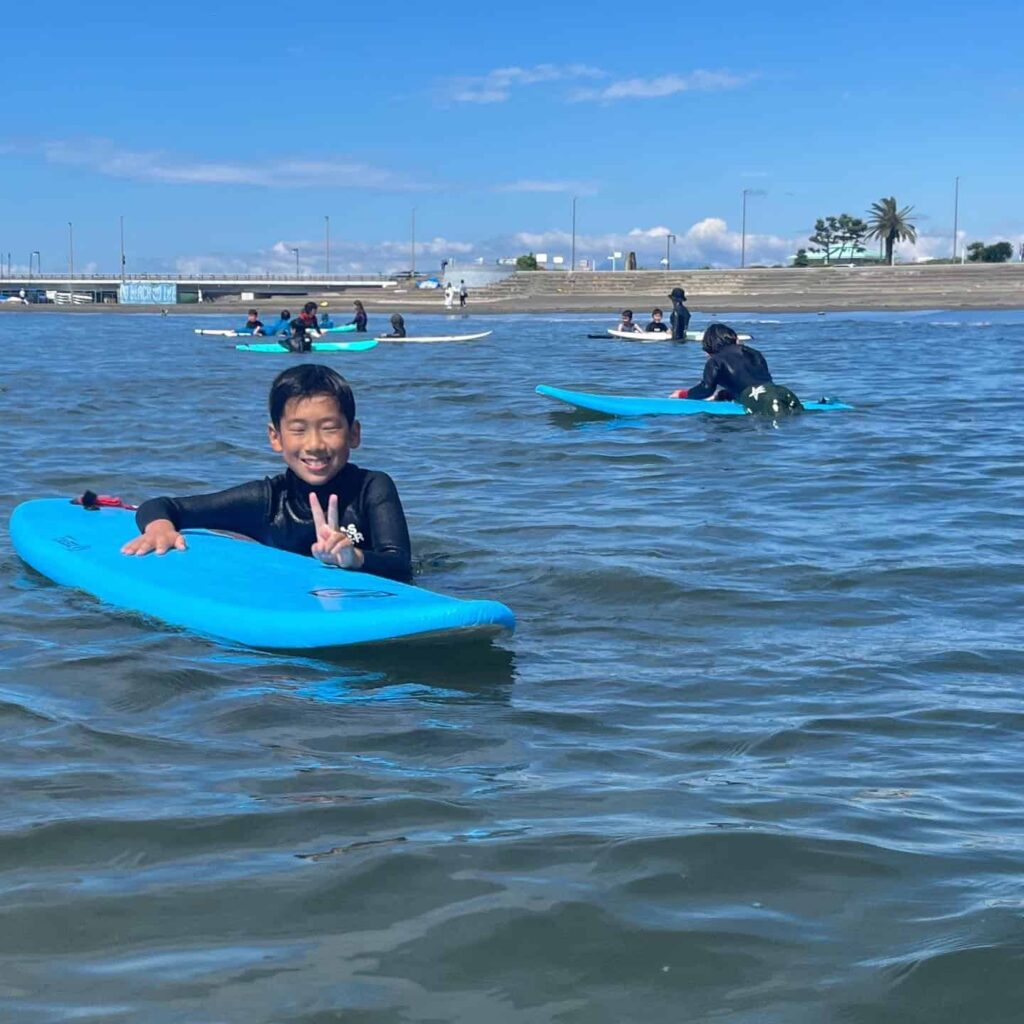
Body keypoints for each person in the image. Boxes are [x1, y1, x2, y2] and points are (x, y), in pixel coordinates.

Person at [121, 364, 412, 582]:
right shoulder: (267, 502)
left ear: (354, 434)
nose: (315, 444)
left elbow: (400, 565)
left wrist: (353, 557)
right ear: (276, 437)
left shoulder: (372, 488)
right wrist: (160, 529)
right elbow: (162, 506)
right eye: (298, 430)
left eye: (330, 428)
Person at [674, 323, 802, 415]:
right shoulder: (755, 353)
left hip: (759, 400)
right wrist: (723, 395)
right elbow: (755, 384)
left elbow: (706, 389)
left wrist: (684, 394)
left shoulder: (715, 361)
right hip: (782, 391)